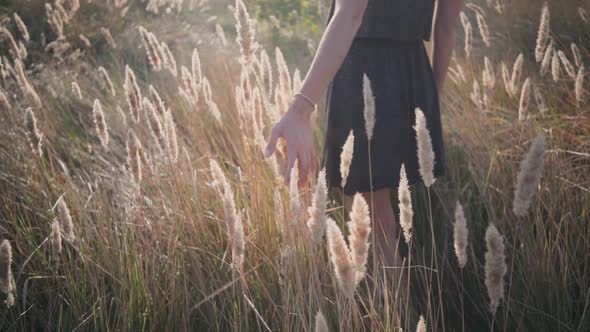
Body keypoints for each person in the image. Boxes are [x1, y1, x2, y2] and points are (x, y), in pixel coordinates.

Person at [263, 0, 462, 268]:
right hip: (414, 69)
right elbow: (447, 26)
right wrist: (433, 94)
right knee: (386, 216)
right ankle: (401, 300)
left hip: (364, 69)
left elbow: (351, 13)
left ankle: (394, 305)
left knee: (379, 220)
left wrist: (301, 108)